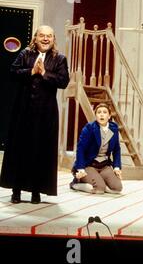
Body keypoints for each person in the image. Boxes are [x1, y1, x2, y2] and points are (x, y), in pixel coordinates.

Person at [0, 25, 69, 204]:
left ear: (53, 39)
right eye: (42, 36)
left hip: (46, 113)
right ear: (35, 38)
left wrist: (45, 73)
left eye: (49, 36)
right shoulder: (25, 54)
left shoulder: (59, 59)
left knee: (41, 152)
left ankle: (36, 191)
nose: (45, 39)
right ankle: (16, 190)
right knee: (19, 150)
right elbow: (13, 72)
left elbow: (63, 81)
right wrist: (31, 72)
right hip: (23, 110)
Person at [70, 103, 123, 194]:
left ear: (109, 116)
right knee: (99, 189)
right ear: (96, 115)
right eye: (99, 112)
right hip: (89, 165)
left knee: (117, 188)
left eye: (104, 112)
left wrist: (117, 167)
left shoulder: (113, 128)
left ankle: (99, 180)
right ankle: (75, 184)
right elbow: (80, 149)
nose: (101, 114)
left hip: (104, 165)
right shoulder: (89, 128)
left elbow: (116, 149)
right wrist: (81, 168)